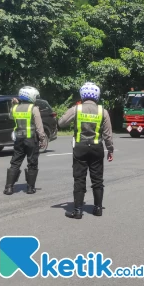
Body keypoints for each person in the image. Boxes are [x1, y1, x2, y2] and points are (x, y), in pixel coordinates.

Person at [58, 82, 114, 219]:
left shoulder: (76, 109)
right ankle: (98, 209)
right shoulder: (103, 111)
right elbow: (107, 134)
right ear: (97, 95)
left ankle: (77, 211)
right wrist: (110, 149)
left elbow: (61, 123)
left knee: (79, 179)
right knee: (97, 180)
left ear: (82, 95)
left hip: (80, 148)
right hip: (96, 149)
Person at [3, 87, 47, 195]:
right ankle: (30, 188)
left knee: (15, 162)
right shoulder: (34, 108)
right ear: (31, 96)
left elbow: (10, 117)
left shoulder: (15, 108)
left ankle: (9, 187)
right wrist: (43, 139)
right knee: (32, 162)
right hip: (31, 140)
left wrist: (14, 105)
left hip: (19, 140)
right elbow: (39, 126)